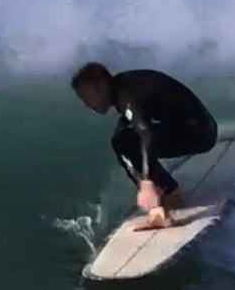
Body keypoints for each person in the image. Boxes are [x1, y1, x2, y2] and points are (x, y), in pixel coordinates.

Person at [71, 61, 218, 230]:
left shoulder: (127, 95)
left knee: (126, 142)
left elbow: (147, 132)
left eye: (87, 97)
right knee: (122, 140)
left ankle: (164, 202)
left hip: (200, 134)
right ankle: (169, 193)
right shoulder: (125, 86)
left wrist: (147, 184)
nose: (87, 104)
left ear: (102, 85)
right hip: (199, 128)